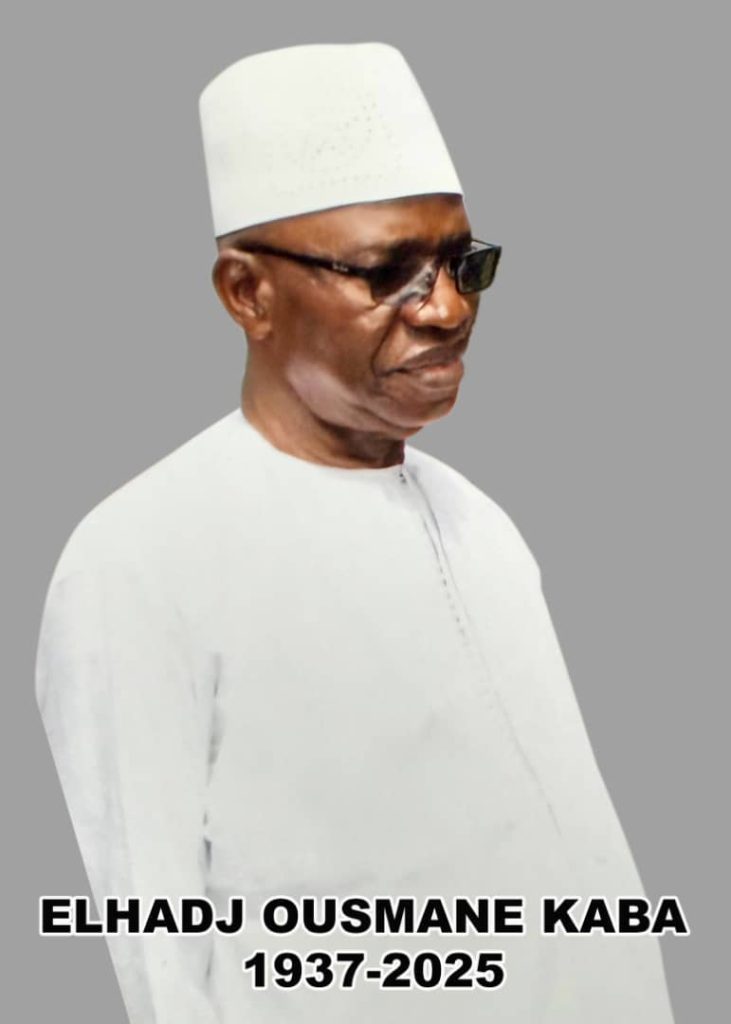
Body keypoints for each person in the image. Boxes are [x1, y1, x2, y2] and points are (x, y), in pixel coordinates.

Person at [35, 42, 676, 1023]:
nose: (447, 309)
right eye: (386, 273)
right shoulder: (139, 563)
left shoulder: (482, 526)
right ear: (247, 293)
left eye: (461, 264)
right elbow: (158, 962)